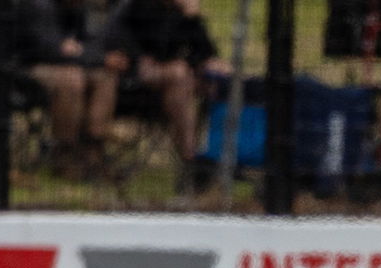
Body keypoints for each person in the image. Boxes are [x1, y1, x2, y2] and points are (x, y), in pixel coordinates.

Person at [102, 0, 224, 175]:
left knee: (212, 77)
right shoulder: (135, 6)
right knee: (179, 74)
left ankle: (216, 157)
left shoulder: (178, 12)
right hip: (130, 86)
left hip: (169, 87)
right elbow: (115, 41)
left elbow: (205, 53)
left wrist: (193, 19)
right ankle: (191, 157)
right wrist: (139, 59)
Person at [12, 0, 125, 174]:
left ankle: (93, 149)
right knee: (71, 79)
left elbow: (92, 43)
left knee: (105, 76)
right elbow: (49, 50)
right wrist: (91, 56)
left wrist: (92, 56)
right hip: (29, 69)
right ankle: (64, 153)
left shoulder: (77, 8)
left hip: (71, 65)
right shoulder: (37, 5)